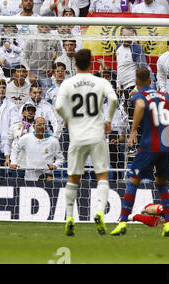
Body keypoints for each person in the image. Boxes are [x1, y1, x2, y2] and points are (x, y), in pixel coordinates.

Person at [110, 67, 169, 237]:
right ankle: (168, 223)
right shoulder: (164, 96)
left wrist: (134, 130)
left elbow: (141, 105)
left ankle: (122, 222)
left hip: (150, 145)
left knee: (133, 180)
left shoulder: (139, 95)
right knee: (161, 183)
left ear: (137, 81)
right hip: (167, 146)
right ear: (151, 80)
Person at [55, 49, 118, 236]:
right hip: (96, 135)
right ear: (91, 63)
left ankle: (69, 217)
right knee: (102, 176)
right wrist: (108, 120)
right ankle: (99, 211)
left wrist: (68, 118)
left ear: (74, 64)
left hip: (77, 136)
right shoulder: (101, 81)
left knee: (73, 177)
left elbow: (58, 106)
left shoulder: (68, 83)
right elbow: (113, 99)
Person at [9, 116, 64, 181]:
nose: (42, 127)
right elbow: (15, 150)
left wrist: (55, 165)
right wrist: (13, 162)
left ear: (46, 127)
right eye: (39, 125)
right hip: (30, 178)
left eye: (44, 125)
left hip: (47, 178)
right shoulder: (26, 138)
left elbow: (60, 159)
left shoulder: (53, 141)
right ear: (34, 126)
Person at [0, 78, 21, 173]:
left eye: (4, 87)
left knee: (0, 175)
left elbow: (15, 127)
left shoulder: (11, 106)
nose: (1, 90)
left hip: (3, 146)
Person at [20, 24, 62, 91]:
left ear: (49, 28)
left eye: (46, 26)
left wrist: (53, 67)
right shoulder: (31, 39)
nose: (44, 29)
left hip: (47, 74)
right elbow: (23, 56)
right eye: (42, 26)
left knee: (47, 96)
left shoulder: (54, 39)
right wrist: (29, 73)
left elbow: (60, 54)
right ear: (37, 27)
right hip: (32, 72)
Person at [5, 103, 36, 173]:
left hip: (31, 163)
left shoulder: (38, 128)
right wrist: (7, 158)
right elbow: (8, 143)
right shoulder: (15, 126)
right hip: (16, 161)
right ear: (22, 112)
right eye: (28, 110)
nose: (30, 112)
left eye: (32, 111)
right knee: (13, 182)